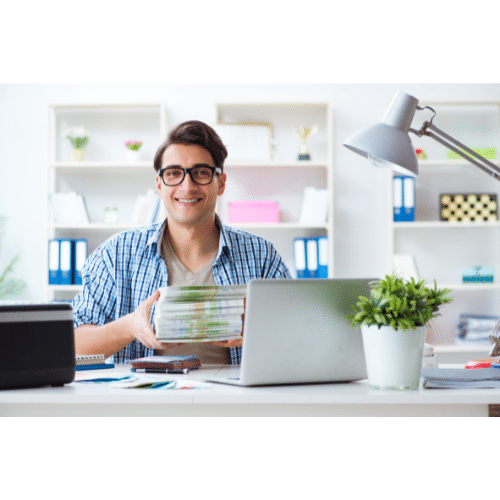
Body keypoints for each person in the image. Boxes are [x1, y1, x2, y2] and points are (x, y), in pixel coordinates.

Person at [72, 120, 291, 365]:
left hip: (234, 402)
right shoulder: (116, 254)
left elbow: (298, 338)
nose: (187, 187)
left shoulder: (262, 256)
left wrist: (259, 325)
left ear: (221, 183)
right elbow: (72, 345)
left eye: (200, 173)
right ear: (159, 185)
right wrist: (130, 327)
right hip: (146, 402)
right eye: (174, 173)